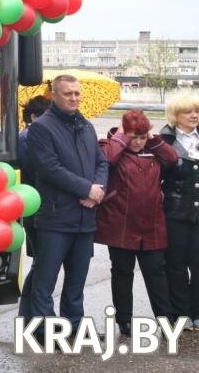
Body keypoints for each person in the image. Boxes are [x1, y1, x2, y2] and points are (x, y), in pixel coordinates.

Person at [18, 74, 108, 337]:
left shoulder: (86, 126)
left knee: (76, 283)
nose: (74, 98)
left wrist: (97, 190)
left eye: (77, 93)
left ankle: (74, 328)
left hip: (85, 217)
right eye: (68, 93)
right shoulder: (41, 128)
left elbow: (101, 163)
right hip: (55, 219)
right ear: (54, 96)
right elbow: (50, 169)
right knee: (45, 282)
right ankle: (46, 331)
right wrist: (85, 188)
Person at [96, 109, 178, 336]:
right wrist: (121, 136)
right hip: (120, 224)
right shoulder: (111, 145)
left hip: (151, 225)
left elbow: (172, 158)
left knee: (156, 274)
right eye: (134, 137)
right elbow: (106, 159)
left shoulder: (153, 150)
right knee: (122, 273)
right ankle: (125, 321)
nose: (138, 142)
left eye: (142, 137)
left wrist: (151, 138)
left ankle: (166, 320)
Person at [159, 93, 199, 331]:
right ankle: (181, 313)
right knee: (175, 265)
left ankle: (197, 312)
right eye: (188, 111)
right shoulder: (163, 141)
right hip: (174, 213)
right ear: (176, 115)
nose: (194, 115)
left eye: (196, 110)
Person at [17, 95, 52, 258]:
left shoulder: (28, 136)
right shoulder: (28, 139)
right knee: (42, 260)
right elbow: (37, 172)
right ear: (34, 117)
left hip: (34, 205)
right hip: (35, 205)